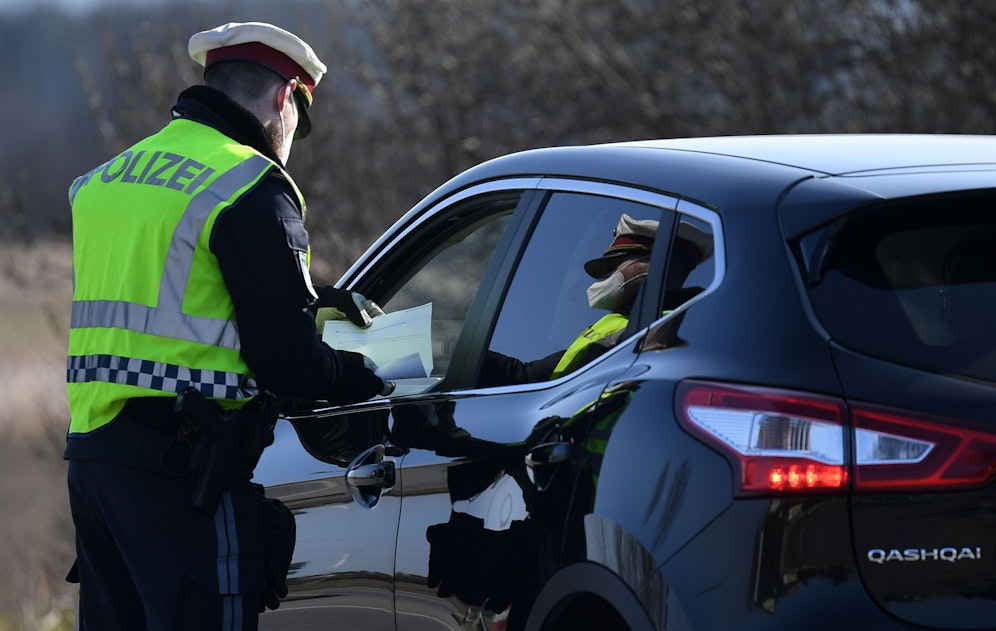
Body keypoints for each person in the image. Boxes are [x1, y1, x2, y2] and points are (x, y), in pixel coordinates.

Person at [65, 21, 387, 630]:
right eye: (300, 120)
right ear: (284, 98)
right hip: (182, 476)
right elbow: (287, 363)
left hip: (94, 466)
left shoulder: (107, 179)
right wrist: (358, 375)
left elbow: (177, 297)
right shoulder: (249, 184)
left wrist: (308, 298)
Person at [479, 213, 711, 386]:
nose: (605, 279)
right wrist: (459, 351)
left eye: (613, 267)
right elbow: (529, 377)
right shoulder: (619, 324)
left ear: (651, 268)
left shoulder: (668, 334)